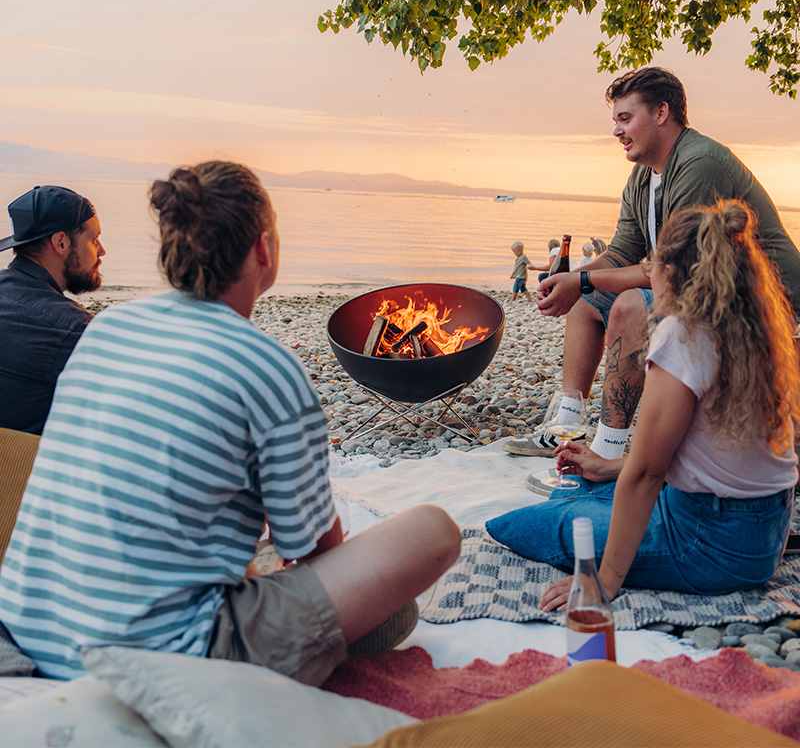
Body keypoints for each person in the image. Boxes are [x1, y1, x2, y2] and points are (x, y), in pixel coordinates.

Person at [0, 161, 461, 682]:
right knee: (429, 540)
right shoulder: (268, 368)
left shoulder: (108, 330)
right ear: (263, 249)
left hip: (30, 621)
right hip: (157, 662)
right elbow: (315, 555)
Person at [487, 200, 800, 602]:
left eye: (653, 265)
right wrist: (611, 466)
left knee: (538, 521)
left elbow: (649, 473)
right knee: (591, 485)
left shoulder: (684, 335)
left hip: (712, 542)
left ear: (670, 273)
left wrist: (605, 580)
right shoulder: (759, 330)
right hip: (766, 528)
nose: (649, 274)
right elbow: (705, 457)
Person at [504, 67, 800, 465]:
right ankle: (567, 423)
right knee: (585, 302)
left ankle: (607, 453)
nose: (616, 131)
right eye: (615, 121)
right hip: (699, 291)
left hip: (760, 302)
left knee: (630, 306)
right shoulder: (642, 177)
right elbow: (624, 251)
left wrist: (585, 278)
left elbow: (670, 268)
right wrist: (571, 281)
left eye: (626, 118)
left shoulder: (700, 163)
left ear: (661, 112)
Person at [0, 185, 105, 434]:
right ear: (60, 242)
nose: (101, 251)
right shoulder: (72, 331)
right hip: (23, 469)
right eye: (93, 239)